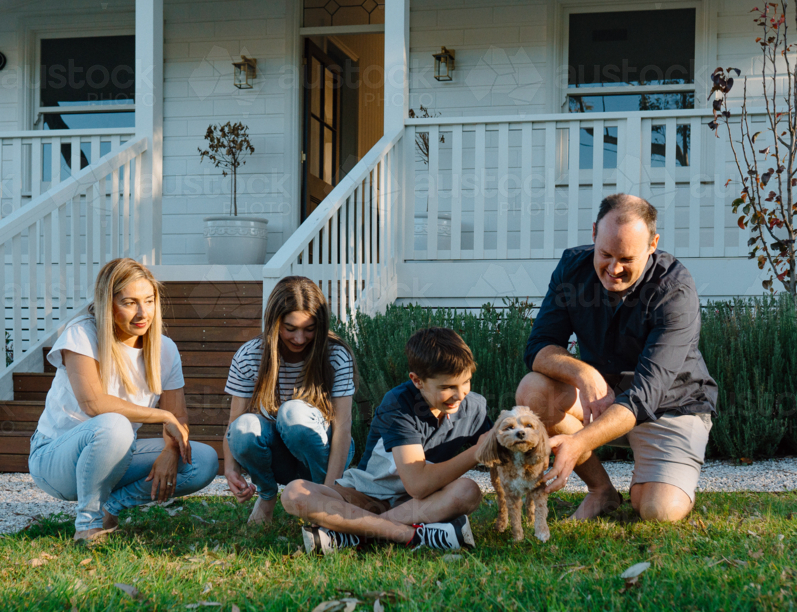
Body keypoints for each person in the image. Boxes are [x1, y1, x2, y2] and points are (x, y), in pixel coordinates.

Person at [517, 193, 718, 523]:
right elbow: (538, 347)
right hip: (603, 399)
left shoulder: (674, 291)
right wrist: (584, 372)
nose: (613, 268)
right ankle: (602, 492)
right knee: (534, 389)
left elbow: (644, 396)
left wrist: (579, 442)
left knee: (657, 510)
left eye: (626, 259)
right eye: (606, 254)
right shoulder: (572, 267)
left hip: (670, 408)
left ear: (652, 244)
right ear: (594, 233)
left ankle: (653, 480)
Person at [27, 258, 220, 543]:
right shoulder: (82, 334)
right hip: (55, 460)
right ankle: (87, 524)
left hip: (115, 454)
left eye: (149, 301)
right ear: (108, 304)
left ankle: (110, 508)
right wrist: (164, 418)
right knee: (114, 425)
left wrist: (170, 450)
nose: (143, 313)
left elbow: (178, 418)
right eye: (129, 302)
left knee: (202, 461)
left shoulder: (165, 349)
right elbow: (94, 404)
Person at [282, 327, 491, 554]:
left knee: (468, 491)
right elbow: (418, 485)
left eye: (466, 382)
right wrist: (478, 452)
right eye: (447, 387)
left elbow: (502, 456)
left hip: (420, 505)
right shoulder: (399, 403)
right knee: (294, 494)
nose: (459, 394)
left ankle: (352, 533)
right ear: (417, 380)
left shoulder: (474, 407)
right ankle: (412, 535)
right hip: (368, 495)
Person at [223, 276, 357, 524]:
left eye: (309, 329)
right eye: (290, 328)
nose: (299, 339)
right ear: (274, 323)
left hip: (323, 456)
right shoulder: (249, 355)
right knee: (243, 427)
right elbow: (233, 424)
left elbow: (343, 428)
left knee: (291, 413)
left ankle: (320, 497)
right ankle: (267, 496)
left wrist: (331, 494)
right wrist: (231, 469)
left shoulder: (336, 355)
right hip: (280, 460)